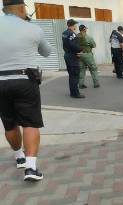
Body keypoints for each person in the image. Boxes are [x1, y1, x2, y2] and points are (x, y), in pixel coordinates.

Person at [0, 0, 51, 181]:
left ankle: (19, 156)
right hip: (24, 81)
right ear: (22, 8)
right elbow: (47, 52)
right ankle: (30, 168)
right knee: (30, 123)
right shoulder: (33, 29)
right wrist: (29, 27)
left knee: (9, 123)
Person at [62, 19, 84, 98]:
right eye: (75, 24)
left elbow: (66, 45)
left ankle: (72, 92)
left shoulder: (64, 33)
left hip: (67, 55)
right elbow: (73, 45)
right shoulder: (71, 34)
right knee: (75, 75)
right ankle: (76, 94)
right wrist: (81, 49)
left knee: (71, 75)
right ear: (72, 25)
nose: (76, 26)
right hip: (72, 57)